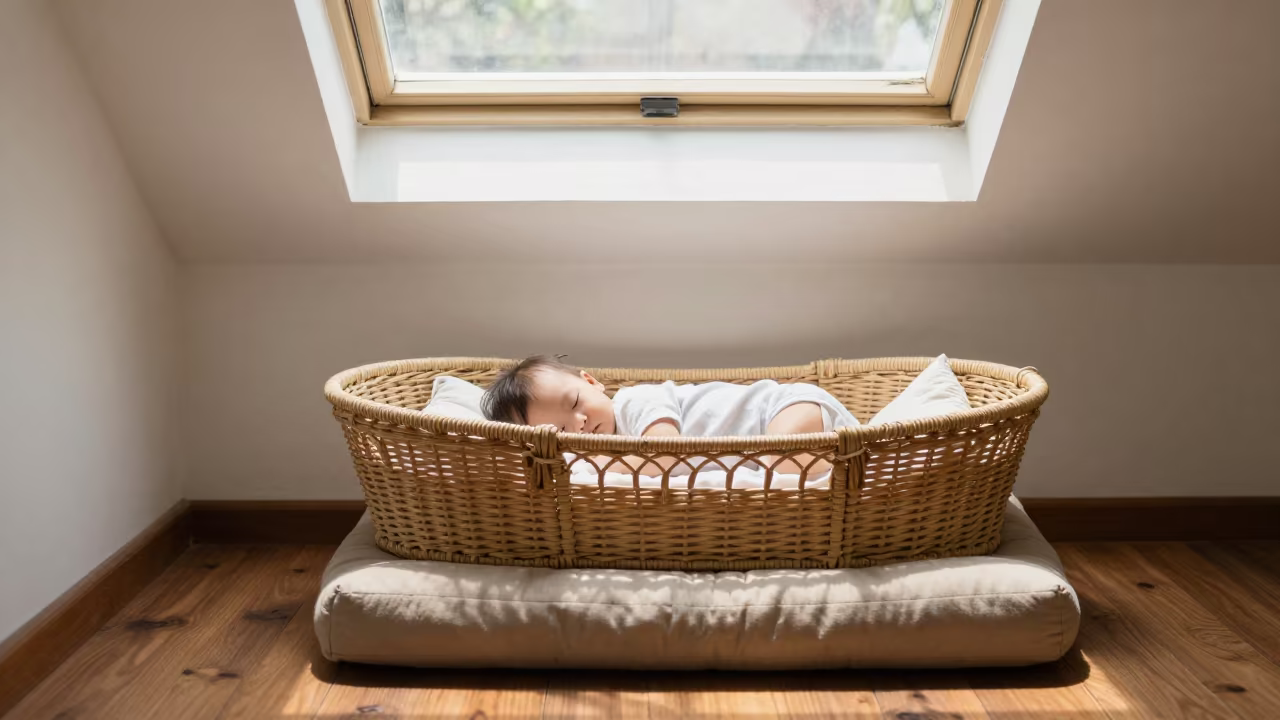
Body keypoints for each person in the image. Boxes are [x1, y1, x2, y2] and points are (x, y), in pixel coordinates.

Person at [481, 355, 859, 476]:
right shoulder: (600, 445)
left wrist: (598, 464)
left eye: (576, 402)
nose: (579, 423)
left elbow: (665, 453)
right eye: (562, 429)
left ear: (592, 382)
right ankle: (841, 465)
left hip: (784, 408)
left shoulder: (635, 402)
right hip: (777, 433)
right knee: (780, 474)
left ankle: (853, 461)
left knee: (779, 470)